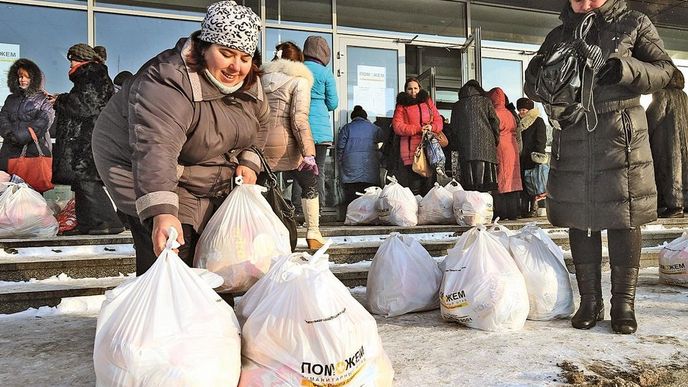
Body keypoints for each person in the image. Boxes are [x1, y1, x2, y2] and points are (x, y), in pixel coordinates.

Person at [525, 0, 673, 334]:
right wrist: (542, 72)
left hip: (621, 133)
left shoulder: (634, 22)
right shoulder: (559, 33)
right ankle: (590, 300)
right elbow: (531, 86)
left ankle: (624, 303)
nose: (585, 3)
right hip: (574, 131)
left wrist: (626, 69)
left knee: (625, 216)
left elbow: (665, 70)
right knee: (580, 220)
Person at [92, 0, 269, 276]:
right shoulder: (168, 79)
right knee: (174, 254)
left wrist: (250, 161)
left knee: (216, 261)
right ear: (204, 47)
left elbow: (262, 125)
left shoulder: (249, 84)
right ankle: (162, 315)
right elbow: (156, 149)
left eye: (245, 58)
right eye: (226, 53)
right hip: (143, 171)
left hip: (204, 174)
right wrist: (161, 211)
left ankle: (213, 315)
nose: (236, 66)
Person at [52, 44, 124, 235]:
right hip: (85, 140)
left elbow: (85, 106)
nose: (70, 65)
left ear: (82, 59)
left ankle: (108, 222)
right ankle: (89, 224)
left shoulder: (93, 75)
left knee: (88, 182)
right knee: (82, 183)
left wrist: (61, 101)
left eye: (73, 60)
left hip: (88, 140)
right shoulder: (90, 76)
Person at [260, 41, 325, 249]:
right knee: (309, 184)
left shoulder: (258, 80)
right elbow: (299, 120)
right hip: (289, 143)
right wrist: (308, 153)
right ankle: (313, 232)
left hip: (259, 144)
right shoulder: (300, 81)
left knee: (258, 188)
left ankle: (260, 235)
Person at [293, 35, 338, 211]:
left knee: (299, 168)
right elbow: (333, 103)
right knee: (317, 169)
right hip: (320, 131)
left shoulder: (298, 69)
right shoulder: (326, 73)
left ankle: (297, 207)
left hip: (298, 127)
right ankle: (317, 209)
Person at [0, 58, 54, 174]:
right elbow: (2, 118)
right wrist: (10, 134)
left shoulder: (44, 99)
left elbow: (44, 122)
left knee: (31, 190)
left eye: (26, 76)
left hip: (33, 152)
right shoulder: (11, 99)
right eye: (20, 76)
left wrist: (21, 136)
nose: (22, 80)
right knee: (8, 189)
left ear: (34, 78)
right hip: (9, 152)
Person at [647, 67, 688, 218]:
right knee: (683, 172)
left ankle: (674, 205)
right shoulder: (684, 97)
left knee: (669, 171)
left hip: (666, 144)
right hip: (683, 146)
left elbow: (653, 117)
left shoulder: (663, 95)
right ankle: (684, 204)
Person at [391, 78, 443, 196]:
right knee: (414, 188)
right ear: (406, 90)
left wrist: (432, 127)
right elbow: (397, 126)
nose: (413, 91)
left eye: (415, 88)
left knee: (430, 188)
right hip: (411, 153)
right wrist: (417, 129)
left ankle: (428, 213)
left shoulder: (427, 102)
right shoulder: (402, 106)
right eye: (410, 89)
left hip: (429, 150)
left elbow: (438, 120)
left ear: (419, 88)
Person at [451, 80, 500, 192]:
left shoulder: (457, 106)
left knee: (469, 186)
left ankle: (471, 208)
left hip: (465, 150)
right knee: (485, 187)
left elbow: (454, 128)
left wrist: (456, 145)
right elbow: (495, 122)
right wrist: (495, 141)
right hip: (486, 149)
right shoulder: (485, 102)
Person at [336, 105, 383, 205]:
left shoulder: (346, 128)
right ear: (365, 117)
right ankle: (367, 217)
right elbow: (384, 145)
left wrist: (340, 161)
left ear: (353, 118)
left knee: (352, 198)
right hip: (370, 165)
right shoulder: (375, 129)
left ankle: (353, 216)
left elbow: (340, 147)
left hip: (350, 166)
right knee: (370, 197)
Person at [488, 87, 522, 220]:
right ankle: (513, 212)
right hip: (512, 147)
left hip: (501, 146)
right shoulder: (510, 113)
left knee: (501, 179)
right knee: (512, 181)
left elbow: (494, 132)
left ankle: (501, 213)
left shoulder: (495, 113)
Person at [516, 97, 548, 217]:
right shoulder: (520, 123)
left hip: (533, 158)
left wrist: (538, 156)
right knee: (524, 185)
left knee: (536, 184)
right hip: (522, 158)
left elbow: (541, 140)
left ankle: (538, 208)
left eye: (524, 110)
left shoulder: (537, 121)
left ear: (529, 110)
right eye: (520, 110)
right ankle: (525, 210)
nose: (521, 112)